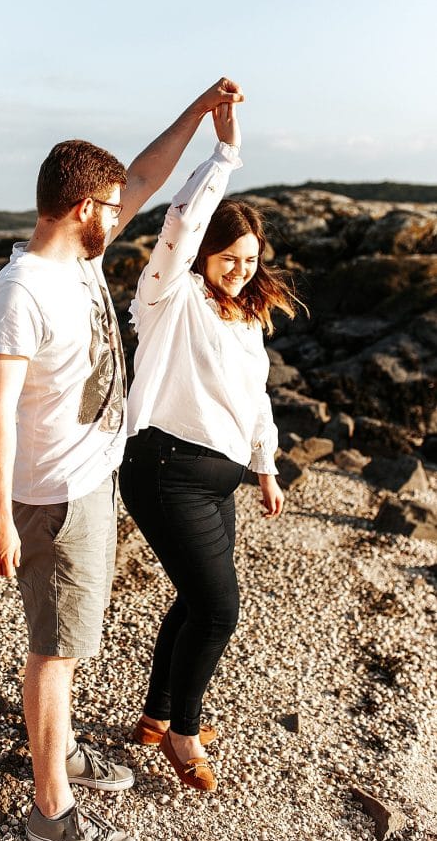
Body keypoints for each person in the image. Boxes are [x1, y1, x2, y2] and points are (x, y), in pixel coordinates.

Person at [0, 78, 244, 841]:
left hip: (90, 480)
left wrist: (199, 116)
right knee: (55, 652)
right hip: (55, 494)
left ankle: (57, 750)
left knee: (71, 639)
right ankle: (49, 808)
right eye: (110, 204)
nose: (120, 212)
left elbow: (147, 174)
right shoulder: (20, 291)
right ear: (80, 210)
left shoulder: (79, 261)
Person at [118, 102, 301, 793]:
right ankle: (184, 734)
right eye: (229, 257)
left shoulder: (244, 312)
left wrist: (266, 466)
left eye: (250, 260)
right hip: (163, 471)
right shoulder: (170, 298)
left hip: (216, 478)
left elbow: (254, 396)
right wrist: (223, 153)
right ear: (202, 253)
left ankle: (156, 717)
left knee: (193, 601)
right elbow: (178, 223)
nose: (239, 270)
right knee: (218, 611)